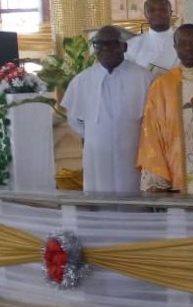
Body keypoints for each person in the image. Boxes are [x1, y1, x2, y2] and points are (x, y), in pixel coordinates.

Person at [137, 24, 193, 195]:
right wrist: (157, 178)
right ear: (175, 48)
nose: (188, 48)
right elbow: (152, 133)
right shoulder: (162, 85)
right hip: (176, 169)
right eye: (182, 44)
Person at [61, 25, 153, 193]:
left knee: (131, 193)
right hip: (96, 150)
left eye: (111, 44)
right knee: (100, 194)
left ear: (123, 47)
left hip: (133, 148)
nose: (105, 49)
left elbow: (154, 118)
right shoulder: (82, 80)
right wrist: (94, 134)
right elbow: (74, 119)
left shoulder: (144, 77)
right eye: (98, 44)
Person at [126, 0, 178, 76]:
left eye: (162, 10)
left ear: (170, 13)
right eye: (152, 10)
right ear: (146, 14)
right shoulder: (132, 45)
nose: (157, 13)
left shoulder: (184, 42)